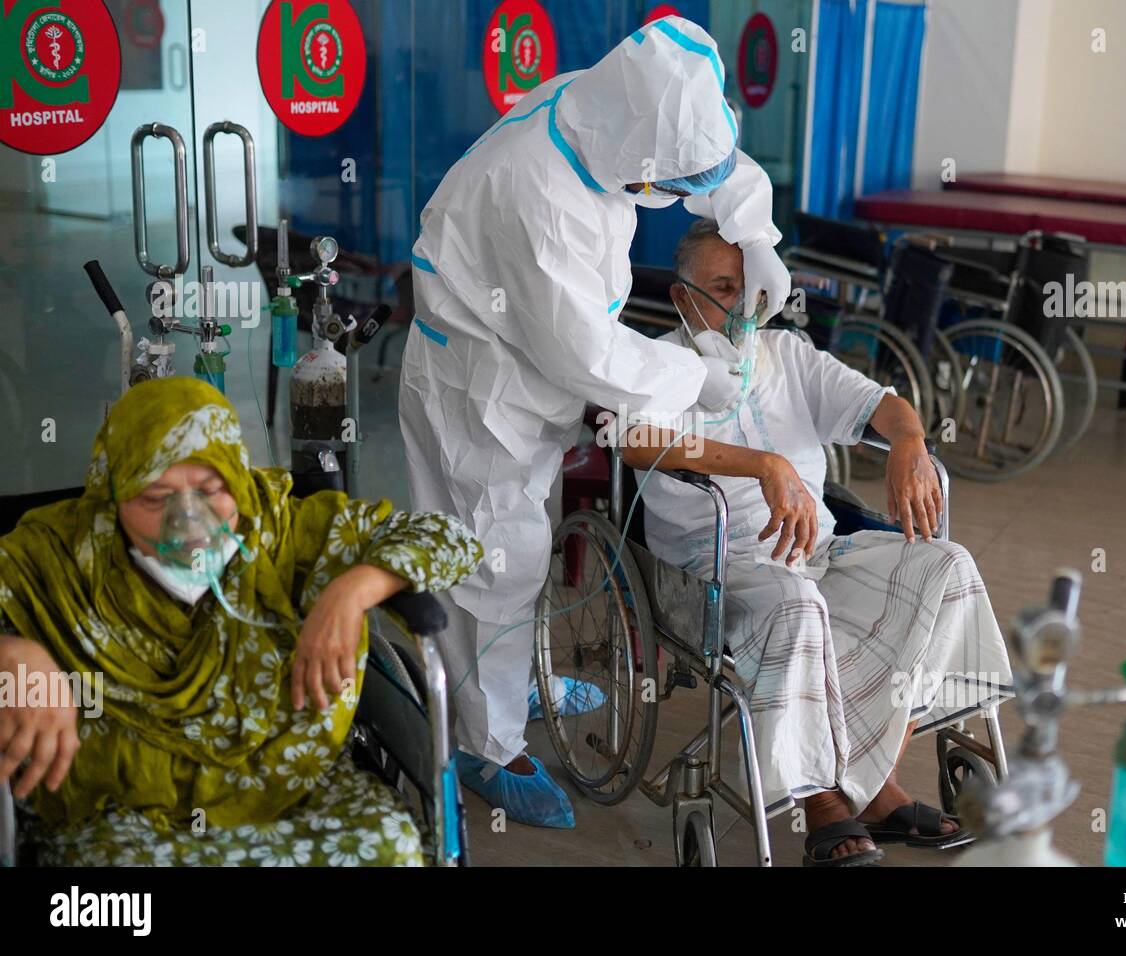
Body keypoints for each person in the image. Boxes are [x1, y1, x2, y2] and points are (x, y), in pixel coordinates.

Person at [398, 16, 790, 828]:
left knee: (524, 544)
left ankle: (519, 680)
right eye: (666, 188)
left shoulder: (610, 105)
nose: (673, 201)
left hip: (531, 366)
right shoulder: (534, 191)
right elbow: (586, 356)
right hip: (481, 388)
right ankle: (487, 741)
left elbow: (703, 156)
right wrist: (696, 376)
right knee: (494, 559)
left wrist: (759, 234)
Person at [622, 220, 1013, 866]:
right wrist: (762, 465)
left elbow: (883, 405)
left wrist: (910, 443)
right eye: (722, 286)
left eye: (749, 288)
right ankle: (827, 804)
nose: (740, 304)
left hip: (820, 551)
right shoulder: (659, 365)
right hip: (716, 569)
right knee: (796, 604)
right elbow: (637, 441)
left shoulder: (788, 355)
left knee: (947, 568)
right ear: (683, 297)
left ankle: (873, 776)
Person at [0, 378, 482, 866]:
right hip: (122, 804)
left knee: (390, 846)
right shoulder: (60, 553)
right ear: (112, 493)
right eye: (154, 497)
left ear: (238, 478)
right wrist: (15, 653)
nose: (188, 523)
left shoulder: (279, 528)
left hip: (286, 784)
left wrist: (353, 589)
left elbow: (451, 538)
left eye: (211, 490)